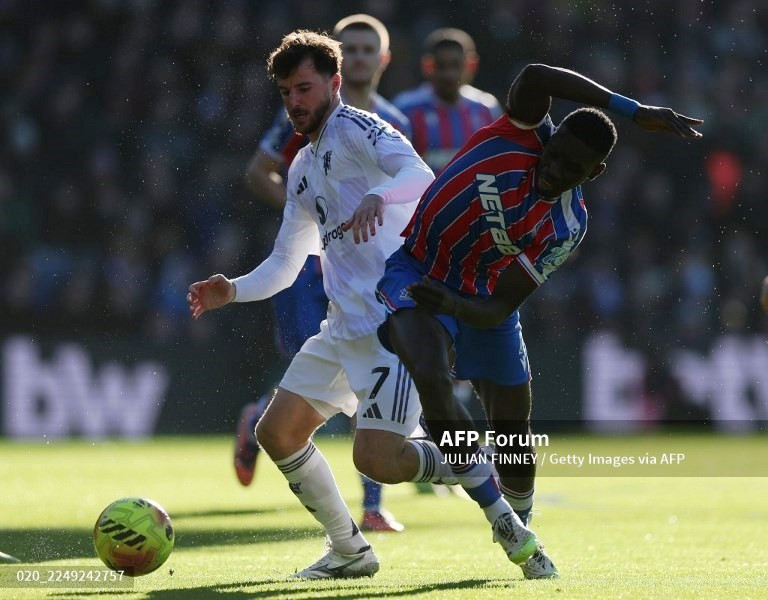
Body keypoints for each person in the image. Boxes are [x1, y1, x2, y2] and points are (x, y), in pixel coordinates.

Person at [375, 63, 703, 579]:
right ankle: (503, 522)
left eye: (570, 168)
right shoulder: (522, 129)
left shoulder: (568, 226)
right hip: (416, 269)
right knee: (433, 378)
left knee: (514, 439)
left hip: (479, 302)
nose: (552, 170)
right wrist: (634, 111)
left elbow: (502, 306)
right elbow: (534, 73)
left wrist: (455, 306)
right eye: (554, 157)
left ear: (592, 174)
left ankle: (514, 508)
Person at [189, 30, 470, 579]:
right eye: (286, 92)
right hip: (343, 329)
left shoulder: (363, 128)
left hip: (397, 326)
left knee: (379, 461)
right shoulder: (300, 167)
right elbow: (285, 265)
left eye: (304, 89)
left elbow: (420, 175)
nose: (294, 102)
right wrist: (234, 289)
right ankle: (349, 549)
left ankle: (472, 462)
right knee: (276, 433)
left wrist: (376, 195)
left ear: (334, 84)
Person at [234, 14, 411, 533]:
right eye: (348, 48)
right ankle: (265, 419)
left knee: (362, 382)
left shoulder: (388, 120)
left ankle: (372, 507)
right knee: (314, 368)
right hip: (316, 265)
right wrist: (311, 219)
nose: (357, 58)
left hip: (382, 283)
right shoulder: (300, 113)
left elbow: (415, 180)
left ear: (382, 60)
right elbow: (258, 171)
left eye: (365, 50)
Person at [394, 28, 502, 174]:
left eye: (456, 65)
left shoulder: (486, 109)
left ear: (471, 65)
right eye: (441, 65)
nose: (449, 74)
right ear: (427, 66)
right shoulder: (406, 110)